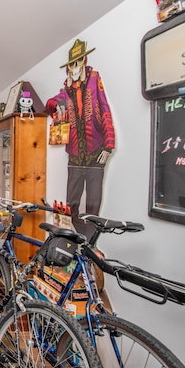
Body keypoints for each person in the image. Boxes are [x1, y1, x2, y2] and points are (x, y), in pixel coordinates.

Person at [44, 39, 115, 239]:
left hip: (95, 150)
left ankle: (90, 241)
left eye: (77, 63)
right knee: (71, 202)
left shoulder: (94, 79)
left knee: (93, 203)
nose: (73, 68)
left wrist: (109, 145)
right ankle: (81, 236)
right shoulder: (66, 89)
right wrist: (54, 105)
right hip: (75, 153)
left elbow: (104, 108)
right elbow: (51, 103)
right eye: (70, 65)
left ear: (83, 61)